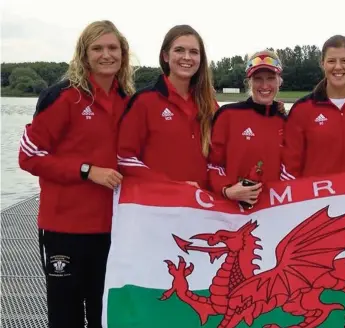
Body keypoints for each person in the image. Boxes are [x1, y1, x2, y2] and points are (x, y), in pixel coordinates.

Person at [18, 20, 135, 328]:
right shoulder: (61, 97)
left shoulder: (129, 101)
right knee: (65, 317)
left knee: (106, 316)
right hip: (64, 230)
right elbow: (29, 156)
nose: (106, 55)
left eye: (113, 48)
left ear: (123, 54)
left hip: (114, 231)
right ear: (84, 55)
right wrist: (86, 171)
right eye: (97, 48)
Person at [117, 25, 217, 188]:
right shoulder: (144, 101)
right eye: (179, 50)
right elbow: (124, 158)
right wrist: (171, 185)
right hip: (160, 206)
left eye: (193, 52)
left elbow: (226, 151)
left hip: (202, 207)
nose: (187, 57)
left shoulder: (209, 104)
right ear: (165, 56)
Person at [281, 35, 345, 180]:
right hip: (316, 200)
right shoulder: (302, 109)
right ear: (322, 64)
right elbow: (290, 170)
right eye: (331, 61)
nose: (338, 67)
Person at [208, 50, 286, 208]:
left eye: (271, 78)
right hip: (233, 212)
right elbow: (211, 165)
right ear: (249, 82)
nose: (264, 86)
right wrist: (227, 190)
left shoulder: (287, 122)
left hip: (275, 213)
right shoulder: (228, 115)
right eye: (258, 79)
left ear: (279, 81)